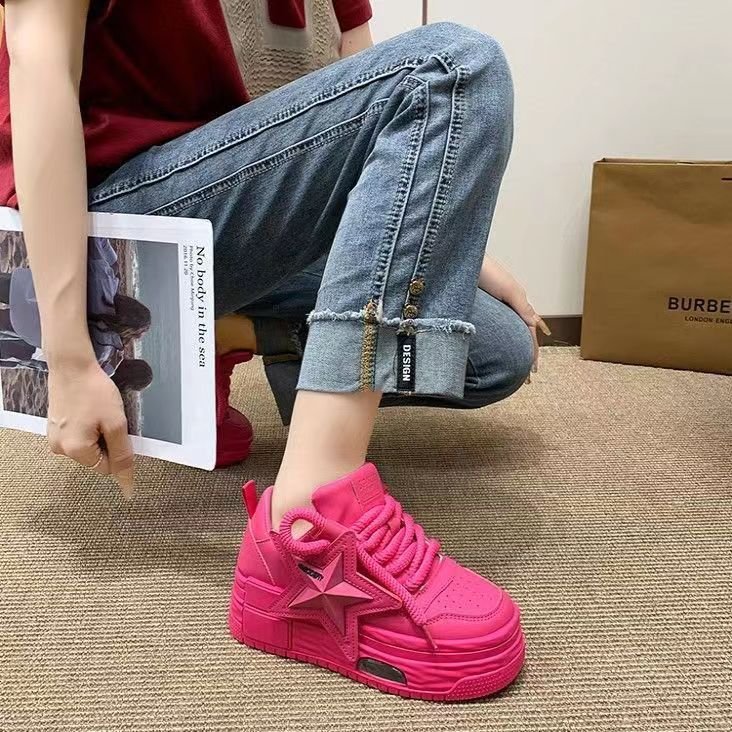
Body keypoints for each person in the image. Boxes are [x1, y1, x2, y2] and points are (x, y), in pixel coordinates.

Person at [1, 0, 549, 700]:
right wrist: (69, 357)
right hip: (103, 220)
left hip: (222, 203)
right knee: (452, 67)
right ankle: (309, 520)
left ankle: (223, 334)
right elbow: (37, 65)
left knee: (494, 347)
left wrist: (449, 242)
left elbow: (363, 113)